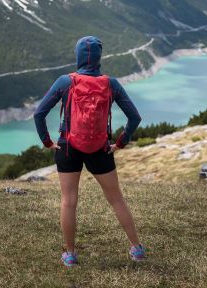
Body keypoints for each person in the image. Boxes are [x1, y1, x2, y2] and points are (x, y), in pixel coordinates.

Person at [33, 36, 145, 267]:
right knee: (116, 199)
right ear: (99, 58)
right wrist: (120, 143)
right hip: (100, 149)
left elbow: (39, 113)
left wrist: (48, 142)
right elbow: (134, 117)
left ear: (78, 57)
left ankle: (71, 255)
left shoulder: (65, 82)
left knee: (69, 201)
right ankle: (136, 248)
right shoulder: (110, 84)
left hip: (67, 147)